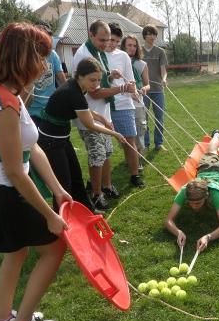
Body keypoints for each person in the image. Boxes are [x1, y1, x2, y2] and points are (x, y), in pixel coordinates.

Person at [0, 22, 71, 321]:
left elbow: (33, 146)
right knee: (54, 250)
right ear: (24, 57)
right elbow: (15, 171)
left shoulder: (2, 92)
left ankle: (3, 319)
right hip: (6, 193)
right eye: (40, 57)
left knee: (15, 253)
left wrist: (57, 189)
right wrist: (50, 215)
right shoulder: (6, 104)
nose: (43, 66)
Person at [38, 57, 130, 213]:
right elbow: (89, 124)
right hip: (50, 141)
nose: (96, 85)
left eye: (99, 80)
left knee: (76, 178)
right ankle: (62, 221)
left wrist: (103, 119)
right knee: (63, 183)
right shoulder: (73, 92)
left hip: (62, 138)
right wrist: (115, 133)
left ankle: (87, 210)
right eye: (92, 80)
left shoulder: (79, 88)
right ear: (80, 76)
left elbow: (86, 110)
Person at [72, 20, 124, 210]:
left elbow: (101, 79)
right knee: (97, 155)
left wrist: (111, 76)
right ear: (91, 35)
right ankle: (96, 194)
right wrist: (121, 89)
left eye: (108, 40)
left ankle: (107, 185)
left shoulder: (100, 52)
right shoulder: (83, 55)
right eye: (102, 40)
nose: (106, 44)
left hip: (103, 113)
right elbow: (93, 90)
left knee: (107, 152)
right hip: (88, 115)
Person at [164, 129, 219, 252]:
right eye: (191, 203)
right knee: (212, 151)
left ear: (206, 196)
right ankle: (216, 134)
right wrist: (178, 232)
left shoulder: (216, 195)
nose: (194, 207)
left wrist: (208, 237)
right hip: (205, 169)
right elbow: (168, 220)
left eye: (198, 203)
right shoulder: (185, 191)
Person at [106, 23, 145, 187]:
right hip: (104, 105)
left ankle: (134, 175)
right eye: (110, 40)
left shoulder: (122, 56)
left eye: (116, 41)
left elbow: (131, 80)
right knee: (105, 145)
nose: (112, 44)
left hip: (124, 105)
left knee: (130, 141)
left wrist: (133, 91)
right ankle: (104, 183)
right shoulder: (95, 54)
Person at [25, 22, 66, 126]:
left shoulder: (53, 54)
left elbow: (62, 79)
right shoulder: (25, 57)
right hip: (32, 111)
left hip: (51, 108)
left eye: (47, 37)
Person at [121, 34, 151, 170]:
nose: (132, 48)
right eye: (129, 45)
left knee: (139, 132)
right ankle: (129, 158)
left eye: (134, 45)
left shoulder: (141, 64)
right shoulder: (118, 61)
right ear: (123, 46)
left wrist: (144, 89)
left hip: (138, 102)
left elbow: (147, 84)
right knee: (126, 134)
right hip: (123, 102)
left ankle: (138, 160)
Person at [142, 24, 168, 151]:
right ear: (144, 35)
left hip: (158, 90)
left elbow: (163, 69)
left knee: (159, 117)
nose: (152, 36)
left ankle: (158, 143)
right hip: (143, 91)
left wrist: (164, 79)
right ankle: (145, 144)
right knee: (144, 118)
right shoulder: (139, 51)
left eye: (154, 34)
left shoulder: (160, 52)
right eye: (149, 33)